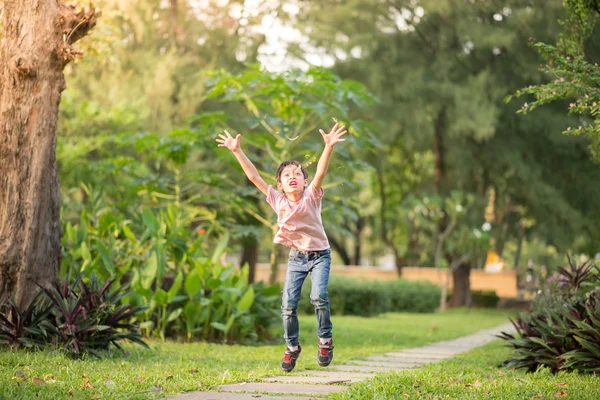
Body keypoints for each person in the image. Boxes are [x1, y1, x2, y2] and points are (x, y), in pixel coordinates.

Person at [216, 123, 347, 373]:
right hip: (297, 257)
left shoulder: (312, 196)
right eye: (286, 175)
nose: (292, 177)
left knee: (318, 296)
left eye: (297, 173)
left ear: (305, 181)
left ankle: (325, 341)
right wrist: (237, 151)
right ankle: (292, 346)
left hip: (320, 255)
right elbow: (254, 177)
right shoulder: (277, 200)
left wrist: (328, 146)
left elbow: (320, 172)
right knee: (288, 304)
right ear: (280, 185)